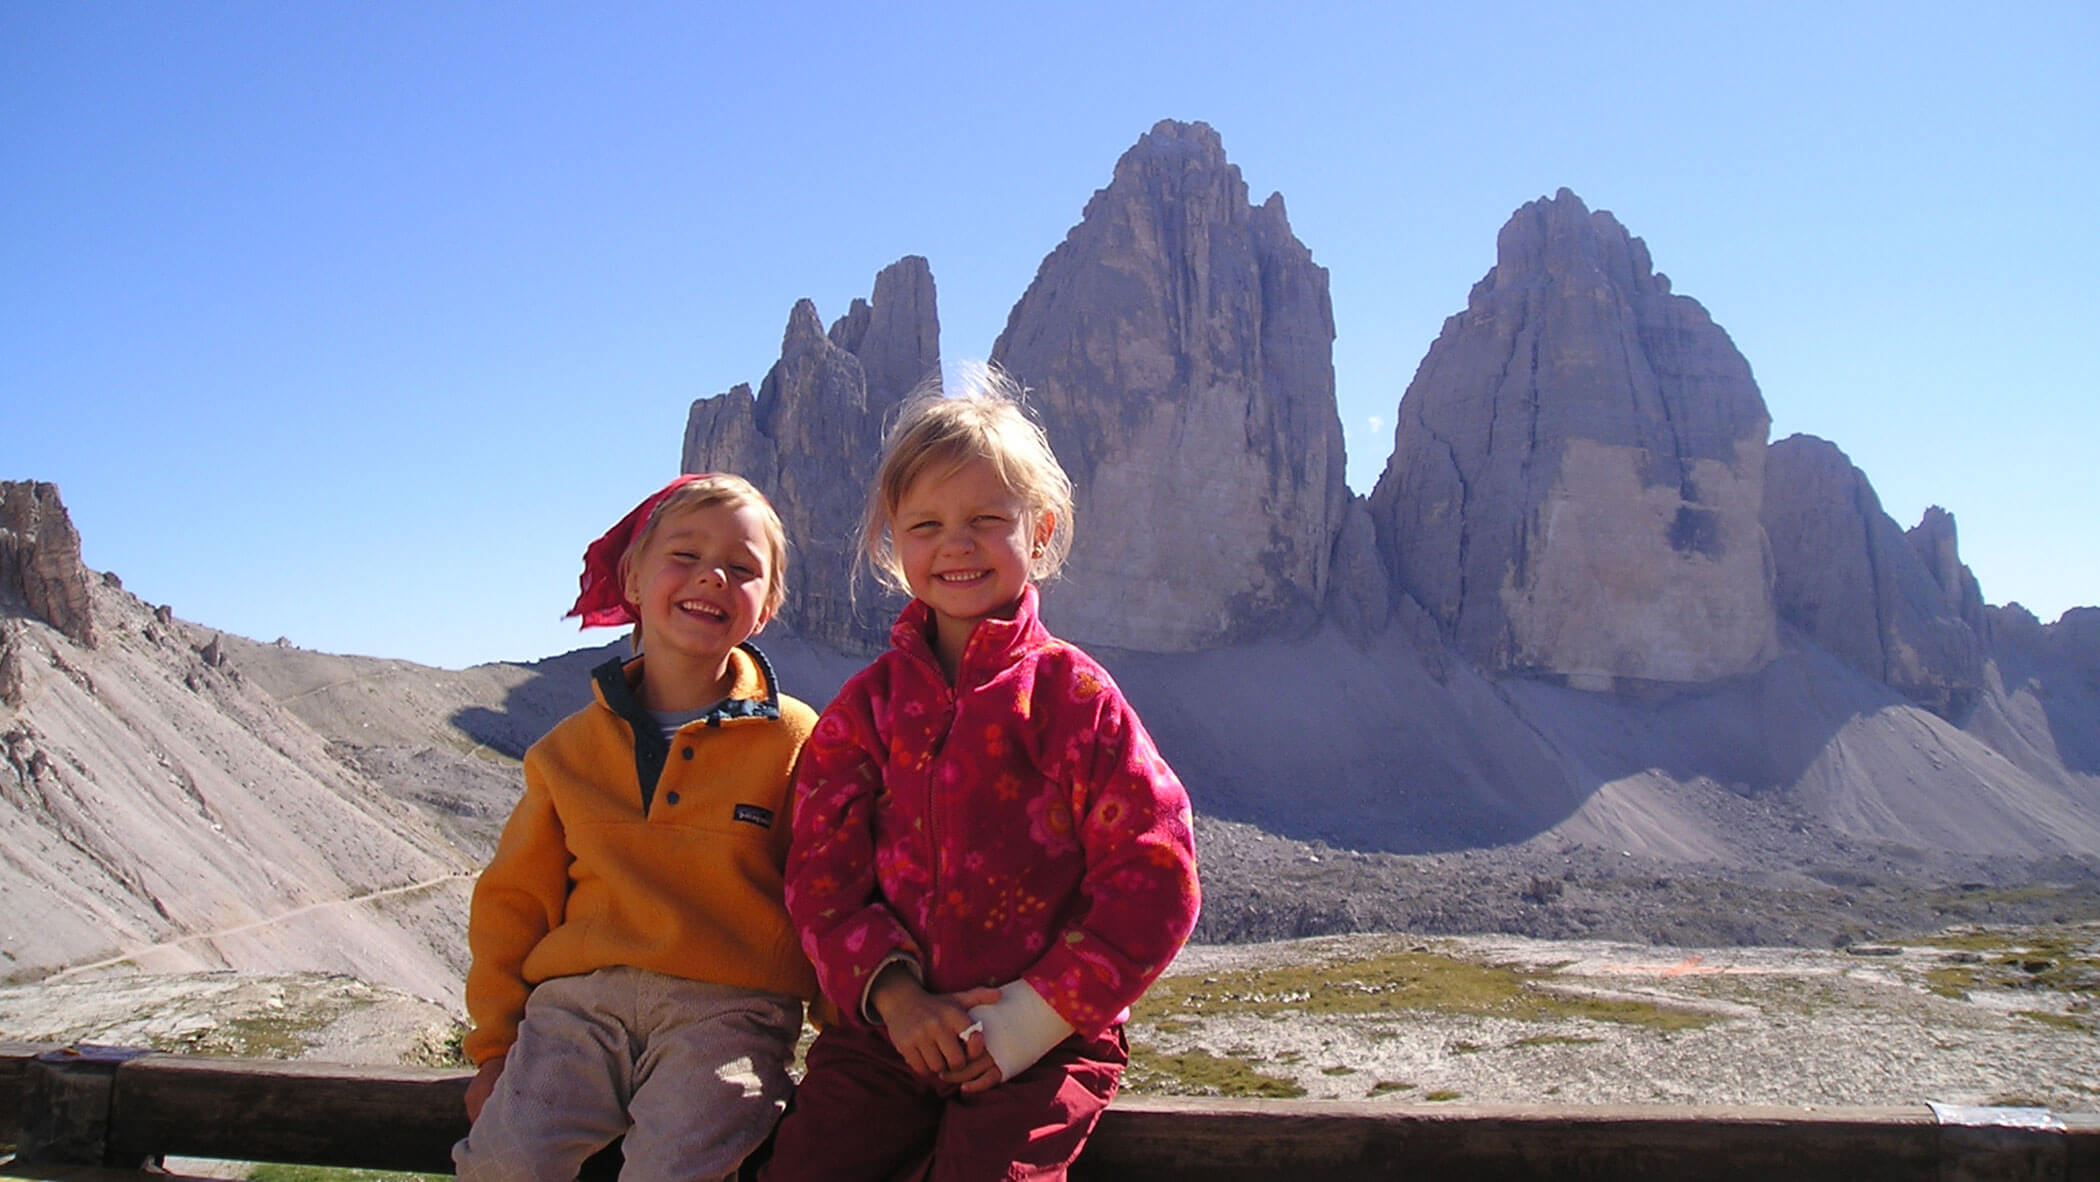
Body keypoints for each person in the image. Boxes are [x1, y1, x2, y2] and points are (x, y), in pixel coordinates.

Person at [761, 366, 1201, 1181]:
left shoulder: (1077, 700)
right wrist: (897, 1001)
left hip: (1048, 1042)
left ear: (1041, 532)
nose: (955, 544)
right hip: (887, 1039)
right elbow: (821, 875)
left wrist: (1025, 1026)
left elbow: (1156, 875)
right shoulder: (864, 712)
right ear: (893, 544)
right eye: (924, 524)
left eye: (986, 519)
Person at [454, 473, 820, 1182]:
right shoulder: (565, 751)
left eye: (742, 569)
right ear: (632, 575)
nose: (712, 576)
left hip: (730, 1014)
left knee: (677, 1167)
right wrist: (496, 1051)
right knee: (503, 1161)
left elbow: (826, 895)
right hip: (575, 1014)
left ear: (768, 604)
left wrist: (845, 1041)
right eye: (684, 556)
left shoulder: (797, 740)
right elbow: (514, 904)